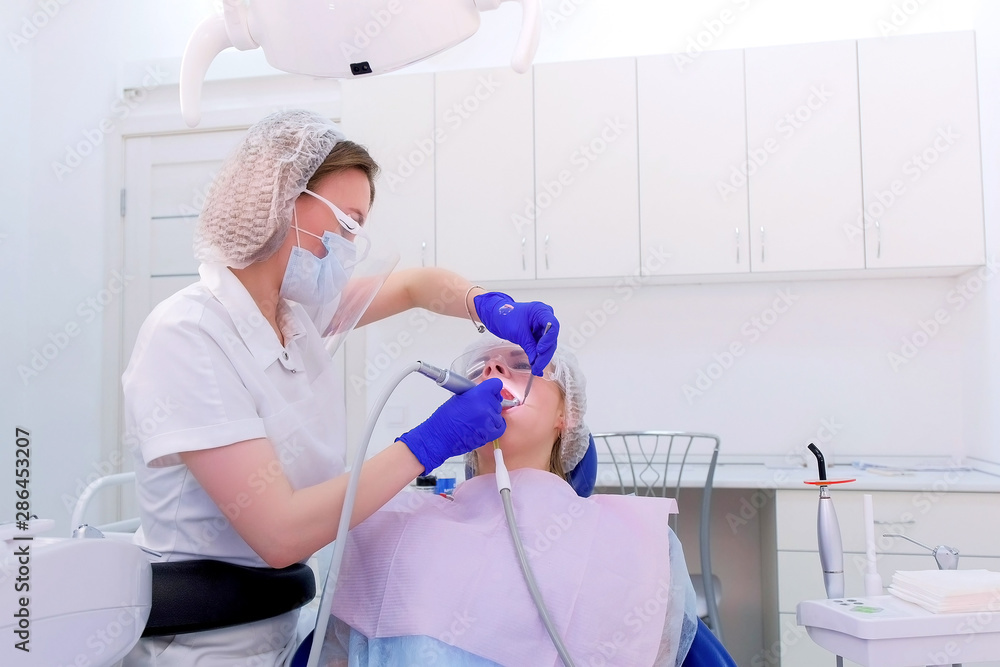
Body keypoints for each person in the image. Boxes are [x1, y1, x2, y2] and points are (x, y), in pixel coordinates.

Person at [120, 110, 560, 666]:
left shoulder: (294, 316)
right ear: (279, 198)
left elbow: (419, 286)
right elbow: (279, 534)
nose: (351, 246)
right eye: (347, 224)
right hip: (204, 644)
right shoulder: (188, 335)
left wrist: (487, 304)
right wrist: (429, 443)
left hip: (283, 629)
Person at [322, 337, 700, 666]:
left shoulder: (632, 539)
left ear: (566, 415)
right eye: (479, 368)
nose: (493, 367)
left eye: (521, 365)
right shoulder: (392, 526)